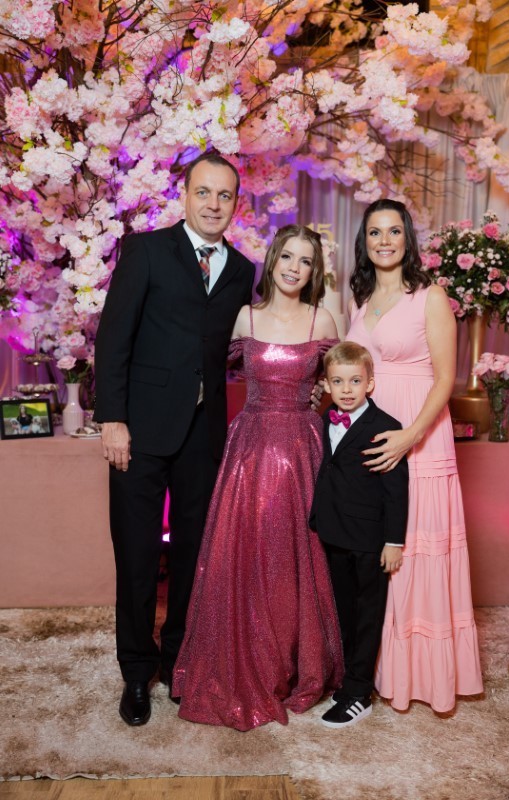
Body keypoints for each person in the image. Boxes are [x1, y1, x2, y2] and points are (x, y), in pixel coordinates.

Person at [94, 152, 256, 726]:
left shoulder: (243, 270)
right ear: (184, 196)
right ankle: (137, 672)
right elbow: (113, 339)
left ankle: (178, 661)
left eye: (224, 195)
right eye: (203, 193)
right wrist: (112, 420)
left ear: (236, 204)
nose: (213, 204)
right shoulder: (145, 251)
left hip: (203, 433)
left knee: (192, 556)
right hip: (138, 429)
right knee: (137, 555)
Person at [172, 225, 344, 731]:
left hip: (303, 449)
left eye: (305, 261)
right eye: (287, 257)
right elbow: (205, 367)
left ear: (314, 271)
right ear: (272, 261)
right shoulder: (244, 317)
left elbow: (341, 382)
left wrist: (320, 399)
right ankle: (245, 657)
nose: (294, 267)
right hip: (249, 450)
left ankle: (295, 661)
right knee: (245, 555)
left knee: (297, 557)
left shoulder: (322, 318)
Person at [345, 198, 483, 714]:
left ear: (408, 239)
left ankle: (423, 675)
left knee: (415, 546)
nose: (384, 241)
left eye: (394, 231)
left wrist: (409, 436)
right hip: (372, 436)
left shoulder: (431, 296)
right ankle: (378, 668)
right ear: (364, 242)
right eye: (375, 232)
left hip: (419, 435)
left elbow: (446, 380)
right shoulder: (358, 299)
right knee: (378, 548)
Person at [309, 341, 408, 728]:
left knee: (368, 616)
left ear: (370, 383)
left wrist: (393, 542)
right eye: (338, 381)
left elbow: (396, 491)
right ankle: (348, 681)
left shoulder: (386, 427)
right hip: (334, 534)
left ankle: (359, 694)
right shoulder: (325, 419)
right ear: (327, 385)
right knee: (345, 613)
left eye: (355, 381)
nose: (346, 389)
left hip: (369, 541)